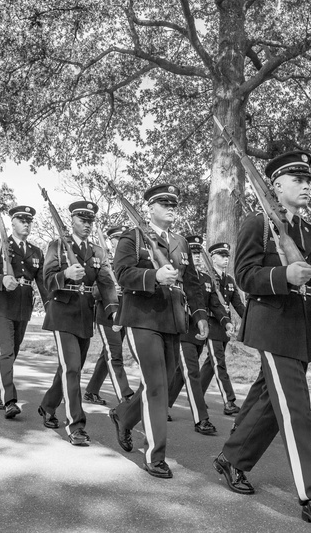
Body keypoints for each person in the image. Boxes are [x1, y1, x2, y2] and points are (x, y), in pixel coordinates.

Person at [212, 151, 311, 530]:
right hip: (271, 328)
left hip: (298, 331)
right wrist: (283, 276)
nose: (307, 184)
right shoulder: (257, 223)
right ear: (276, 186)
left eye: (308, 178)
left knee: (267, 402)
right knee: (296, 411)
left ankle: (232, 459)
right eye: (297, 178)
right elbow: (245, 276)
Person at [108, 183, 208, 478]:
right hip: (142, 318)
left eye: (174, 204)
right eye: (164, 203)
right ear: (149, 208)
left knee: (162, 384)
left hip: (173, 319)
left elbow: (192, 283)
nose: (170, 208)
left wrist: (200, 315)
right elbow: (122, 273)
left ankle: (123, 416)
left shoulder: (180, 242)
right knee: (156, 386)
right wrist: (154, 275)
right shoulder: (133, 237)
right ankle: (155, 455)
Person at [38, 200, 119, 446]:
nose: (86, 225)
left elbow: (106, 283)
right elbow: (46, 279)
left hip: (85, 314)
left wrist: (114, 311)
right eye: (82, 220)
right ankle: (76, 425)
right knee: (72, 367)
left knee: (69, 368)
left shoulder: (97, 251)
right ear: (71, 220)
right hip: (62, 312)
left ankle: (47, 406)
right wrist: (65, 275)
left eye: (90, 221)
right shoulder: (58, 245)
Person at [0, 205, 49, 418]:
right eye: (22, 220)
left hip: (23, 306)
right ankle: (9, 400)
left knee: (11, 354)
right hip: (1, 304)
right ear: (13, 223)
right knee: (6, 352)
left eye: (29, 220)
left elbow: (43, 283)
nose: (26, 223)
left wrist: (51, 308)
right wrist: (2, 280)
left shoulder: (36, 252)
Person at [166, 235, 218, 435]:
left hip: (197, 331)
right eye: (192, 253)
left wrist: (225, 321)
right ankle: (201, 419)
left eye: (198, 253)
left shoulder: (204, 279)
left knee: (181, 373)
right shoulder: (175, 273)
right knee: (192, 372)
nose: (196, 256)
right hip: (182, 329)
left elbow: (212, 303)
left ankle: (163, 406)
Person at [84, 225, 134, 405]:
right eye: (117, 239)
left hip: (124, 314)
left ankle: (91, 392)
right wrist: (112, 289)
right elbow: (95, 291)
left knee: (107, 354)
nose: (121, 242)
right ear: (111, 241)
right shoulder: (103, 260)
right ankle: (125, 395)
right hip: (106, 315)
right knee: (115, 354)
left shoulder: (128, 261)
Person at [198, 241, 246, 417]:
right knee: (219, 363)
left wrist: (250, 321)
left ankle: (197, 395)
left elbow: (239, 306)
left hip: (224, 327)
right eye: (221, 256)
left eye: (227, 256)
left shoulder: (229, 280)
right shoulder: (206, 278)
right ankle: (229, 401)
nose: (225, 259)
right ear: (212, 258)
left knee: (211, 365)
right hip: (211, 325)